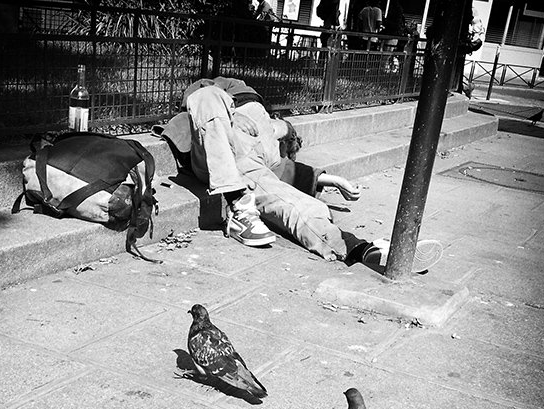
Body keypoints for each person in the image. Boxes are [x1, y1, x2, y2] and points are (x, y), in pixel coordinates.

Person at [155, 76, 443, 272]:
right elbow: (198, 106)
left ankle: (361, 250)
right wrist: (239, 116)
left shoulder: (271, 139)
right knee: (208, 99)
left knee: (292, 200)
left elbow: (281, 170)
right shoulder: (216, 95)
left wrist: (324, 177)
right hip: (226, 137)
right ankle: (239, 203)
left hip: (252, 152)